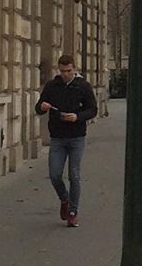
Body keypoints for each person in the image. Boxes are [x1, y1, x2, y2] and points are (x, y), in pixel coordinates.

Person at [36, 52, 98, 226]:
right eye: (62, 71)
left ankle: (72, 212)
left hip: (77, 137)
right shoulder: (52, 86)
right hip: (57, 137)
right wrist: (42, 106)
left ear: (74, 69)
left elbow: (92, 109)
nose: (65, 74)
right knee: (55, 174)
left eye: (69, 71)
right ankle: (65, 199)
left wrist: (78, 117)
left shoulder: (83, 86)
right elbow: (38, 107)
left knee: (74, 175)